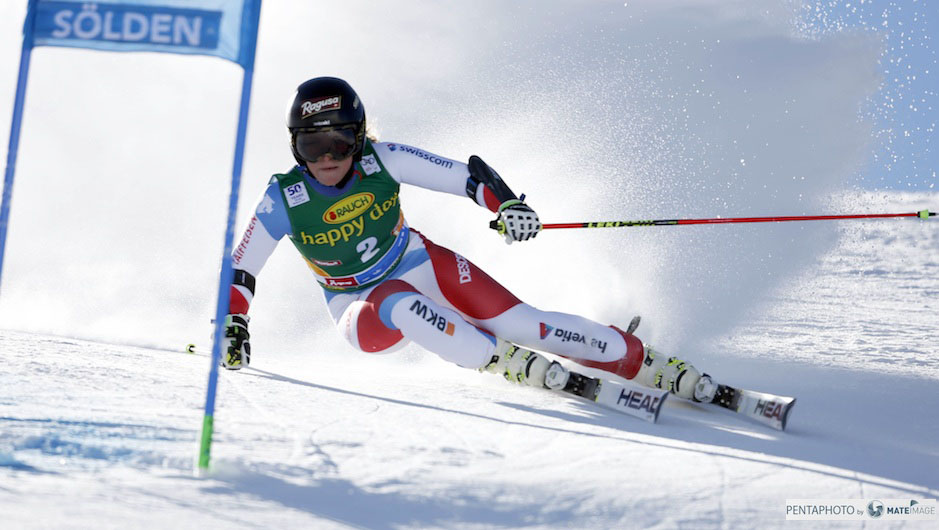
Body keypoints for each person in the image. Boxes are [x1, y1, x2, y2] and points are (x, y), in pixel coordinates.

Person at [223, 76, 717, 403]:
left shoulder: (383, 159)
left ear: (359, 139)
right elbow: (242, 268)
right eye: (312, 145)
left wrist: (507, 206)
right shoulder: (282, 199)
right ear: (295, 147)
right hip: (357, 306)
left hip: (419, 261)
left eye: (339, 143)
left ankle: (646, 361)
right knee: (395, 299)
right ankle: (501, 360)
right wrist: (233, 323)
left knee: (526, 322)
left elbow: (465, 177)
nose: (327, 158)